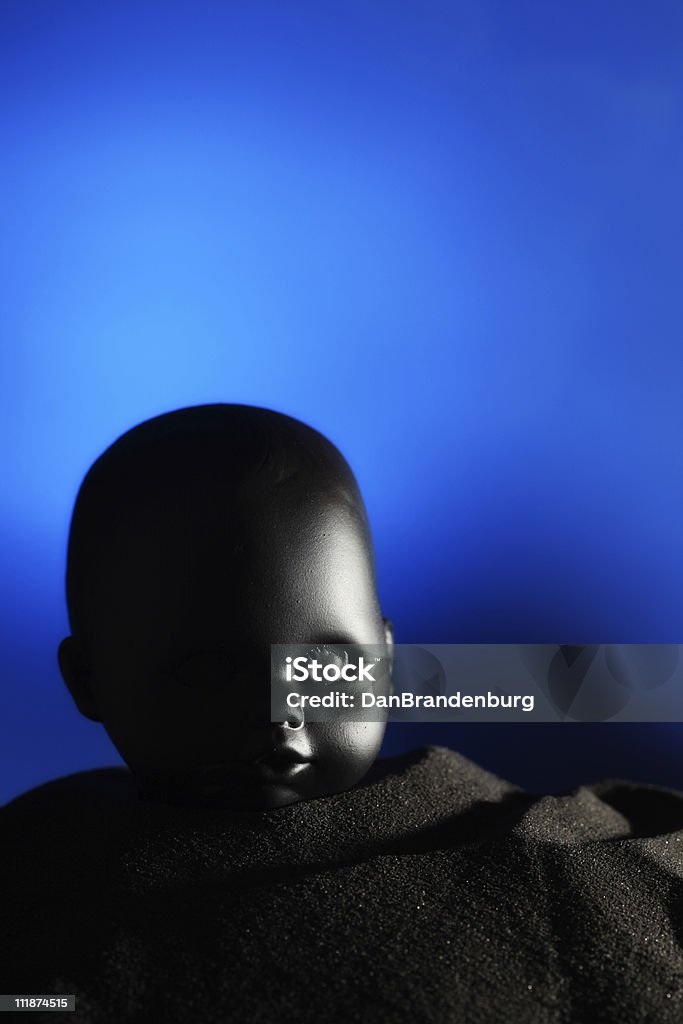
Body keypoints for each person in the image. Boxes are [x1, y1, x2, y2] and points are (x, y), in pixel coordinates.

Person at [2, 404, 683, 1023]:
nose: (280, 718)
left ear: (383, 655)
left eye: (329, 666)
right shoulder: (37, 890)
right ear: (88, 679)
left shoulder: (555, 858)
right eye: (208, 672)